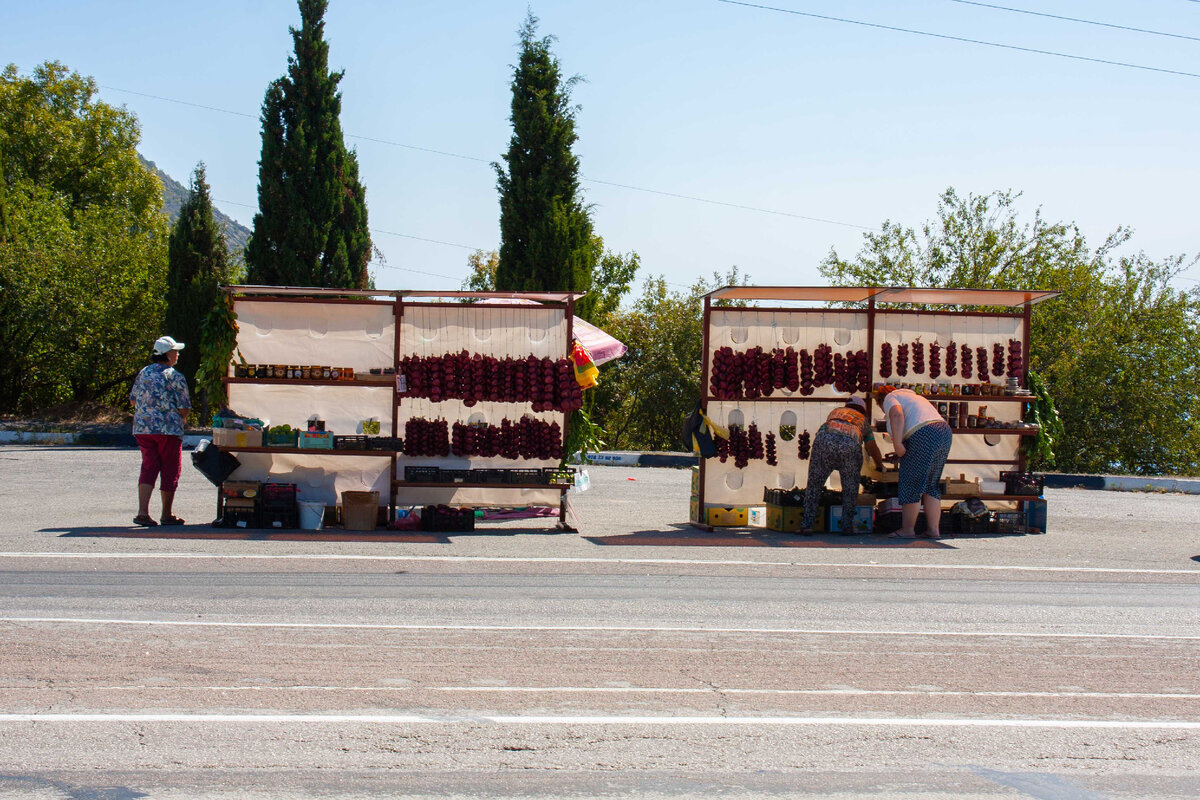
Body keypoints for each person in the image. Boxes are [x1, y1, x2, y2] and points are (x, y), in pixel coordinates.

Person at [130, 335, 191, 527]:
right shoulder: (175, 376)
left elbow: (133, 399)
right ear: (167, 354)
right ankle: (166, 514)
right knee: (170, 469)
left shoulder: (143, 373)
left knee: (148, 467)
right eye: (175, 351)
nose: (177, 354)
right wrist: (182, 417)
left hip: (143, 429)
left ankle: (143, 512)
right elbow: (184, 407)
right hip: (168, 430)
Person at [800, 397, 885, 535]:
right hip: (850, 447)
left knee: (814, 486)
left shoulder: (836, 412)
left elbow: (822, 430)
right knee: (850, 489)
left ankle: (807, 525)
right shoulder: (862, 420)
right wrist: (879, 465)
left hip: (824, 443)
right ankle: (847, 527)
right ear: (862, 409)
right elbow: (871, 446)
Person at [877, 386, 954, 539]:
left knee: (912, 482)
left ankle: (907, 530)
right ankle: (933, 530)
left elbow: (897, 415)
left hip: (924, 433)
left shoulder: (891, 397)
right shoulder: (914, 398)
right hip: (943, 431)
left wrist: (897, 444)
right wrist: (902, 451)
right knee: (931, 484)